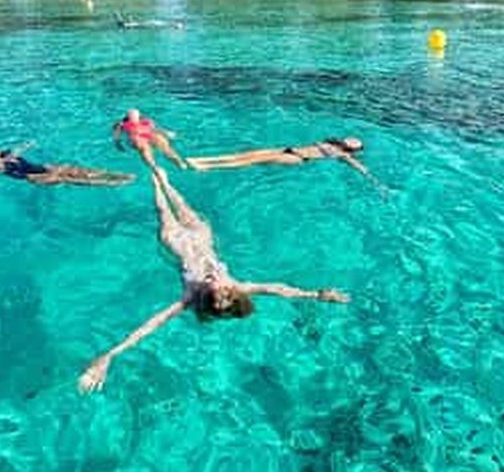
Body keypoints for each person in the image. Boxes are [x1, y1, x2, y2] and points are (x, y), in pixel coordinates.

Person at [78, 169, 349, 392]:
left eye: (212, 289)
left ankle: (153, 176)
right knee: (180, 200)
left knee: (163, 207)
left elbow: (150, 325)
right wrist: (315, 294)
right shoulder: (238, 286)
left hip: (175, 242)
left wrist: (109, 355)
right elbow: (276, 289)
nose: (215, 282)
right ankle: (163, 177)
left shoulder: (190, 297)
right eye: (223, 287)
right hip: (201, 235)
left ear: (207, 297)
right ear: (232, 291)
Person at [0, 145, 134, 199]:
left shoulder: (7, 153)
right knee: (68, 178)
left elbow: (19, 149)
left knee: (75, 169)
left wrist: (27, 145)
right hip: (33, 177)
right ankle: (111, 183)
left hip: (42, 167)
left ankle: (116, 175)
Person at [186, 137, 368, 176]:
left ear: (354, 149)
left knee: (250, 161)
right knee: (244, 154)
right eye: (349, 139)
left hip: (297, 158)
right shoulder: (331, 142)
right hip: (288, 148)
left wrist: (374, 181)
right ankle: (204, 159)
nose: (349, 141)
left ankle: (208, 166)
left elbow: (360, 168)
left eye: (353, 143)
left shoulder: (344, 155)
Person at [113, 108, 187, 170]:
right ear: (127, 116)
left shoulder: (146, 121)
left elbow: (154, 129)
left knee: (161, 141)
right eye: (131, 115)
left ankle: (178, 161)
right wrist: (118, 144)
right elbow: (116, 136)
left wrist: (166, 132)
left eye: (135, 115)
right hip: (137, 138)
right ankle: (154, 167)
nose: (133, 117)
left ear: (139, 116)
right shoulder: (121, 124)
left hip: (149, 135)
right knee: (142, 145)